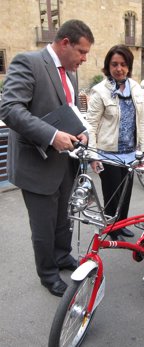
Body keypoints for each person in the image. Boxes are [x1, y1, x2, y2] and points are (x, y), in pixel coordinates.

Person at [0, 20, 94, 297]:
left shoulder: (72, 73)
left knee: (63, 219)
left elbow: (70, 109)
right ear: (65, 43)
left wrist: (82, 131)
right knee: (43, 227)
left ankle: (62, 256)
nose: (84, 59)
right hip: (36, 165)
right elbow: (10, 108)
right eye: (81, 51)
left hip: (65, 162)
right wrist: (52, 135)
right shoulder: (27, 62)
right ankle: (48, 273)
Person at [86, 44, 144, 241]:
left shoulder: (136, 88)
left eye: (123, 64)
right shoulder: (99, 91)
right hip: (108, 154)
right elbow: (91, 126)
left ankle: (122, 225)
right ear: (108, 66)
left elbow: (142, 120)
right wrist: (93, 156)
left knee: (126, 193)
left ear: (129, 66)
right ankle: (111, 229)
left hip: (130, 153)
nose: (119, 68)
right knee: (112, 194)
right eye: (114, 64)